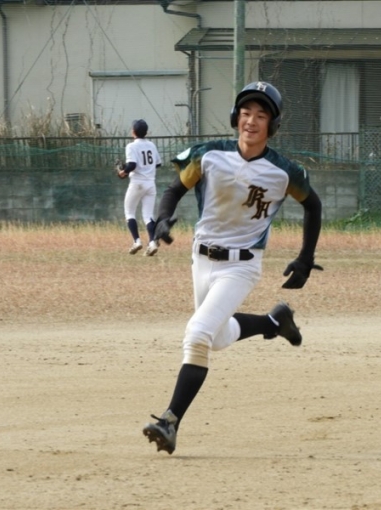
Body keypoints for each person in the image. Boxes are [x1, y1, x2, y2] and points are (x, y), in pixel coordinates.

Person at [142, 81, 323, 454]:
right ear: (235, 118)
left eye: (261, 115)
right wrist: (162, 219)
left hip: (242, 265)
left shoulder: (283, 171)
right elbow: (173, 190)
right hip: (201, 258)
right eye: (245, 113)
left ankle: (170, 422)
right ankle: (274, 322)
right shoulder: (209, 155)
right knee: (219, 337)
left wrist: (306, 258)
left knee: (198, 334)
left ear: (272, 125)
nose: (251, 121)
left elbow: (313, 205)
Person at [116, 119, 163, 256]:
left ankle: (137, 241)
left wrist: (123, 171)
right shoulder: (151, 145)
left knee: (129, 212)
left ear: (133, 132)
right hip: (150, 184)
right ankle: (152, 243)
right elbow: (158, 164)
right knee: (148, 215)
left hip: (137, 183)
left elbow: (132, 165)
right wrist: (144, 168)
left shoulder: (131, 146)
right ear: (146, 132)